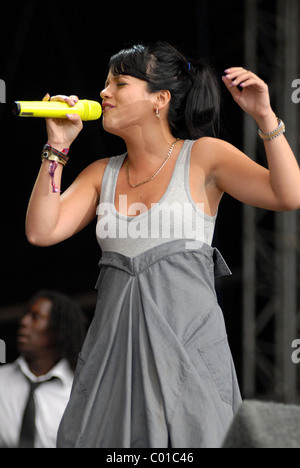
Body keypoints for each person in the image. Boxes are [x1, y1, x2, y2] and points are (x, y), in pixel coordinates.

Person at [25, 42, 300, 448]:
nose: (104, 93)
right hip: (114, 360)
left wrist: (265, 116)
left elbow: (287, 194)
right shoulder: (103, 173)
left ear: (160, 99)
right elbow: (41, 231)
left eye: (119, 83)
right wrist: (59, 146)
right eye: (105, 84)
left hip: (188, 358)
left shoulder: (204, 157)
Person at [0, 290, 86, 448]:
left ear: (58, 329)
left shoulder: (78, 394)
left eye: (35, 317)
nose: (24, 321)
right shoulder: (1, 380)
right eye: (25, 315)